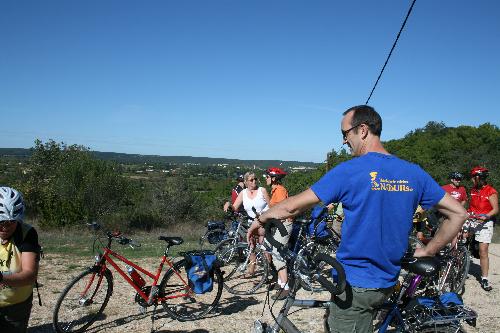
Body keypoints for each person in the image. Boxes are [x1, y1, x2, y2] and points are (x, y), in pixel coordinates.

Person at [247, 105, 467, 332]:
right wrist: (429, 250)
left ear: (362, 130)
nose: (344, 141)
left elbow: (292, 207)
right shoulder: (413, 172)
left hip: (356, 284)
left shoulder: (349, 171)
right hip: (388, 280)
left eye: (345, 134)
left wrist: (262, 219)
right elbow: (458, 212)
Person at [0, 187, 41, 333]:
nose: (5, 227)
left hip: (16, 305)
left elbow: (30, 275)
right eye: (1, 222)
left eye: (11, 222)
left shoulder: (26, 233)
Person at [225, 172, 270, 276]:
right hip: (251, 223)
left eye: (255, 179)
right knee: (251, 247)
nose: (254, 181)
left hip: (264, 222)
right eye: (251, 180)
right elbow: (235, 207)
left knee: (265, 247)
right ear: (245, 182)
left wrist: (264, 214)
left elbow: (271, 205)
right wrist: (228, 204)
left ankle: (268, 271)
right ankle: (252, 269)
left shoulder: (262, 190)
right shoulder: (243, 193)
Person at [468, 166, 498, 291]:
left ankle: (485, 279)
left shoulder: (491, 191)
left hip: (485, 222)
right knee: (458, 238)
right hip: (472, 219)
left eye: (473, 178)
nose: (471, 180)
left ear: (478, 178)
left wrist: (485, 216)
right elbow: (471, 206)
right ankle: (459, 265)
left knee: (483, 250)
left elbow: (495, 209)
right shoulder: (473, 190)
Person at [264, 167, 292, 300]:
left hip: (284, 224)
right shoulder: (274, 190)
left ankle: (285, 288)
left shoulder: (280, 191)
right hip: (278, 224)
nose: (266, 178)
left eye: (268, 176)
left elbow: (281, 210)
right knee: (273, 251)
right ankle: (280, 282)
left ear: (274, 178)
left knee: (277, 254)